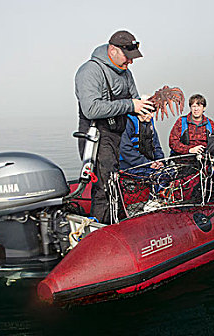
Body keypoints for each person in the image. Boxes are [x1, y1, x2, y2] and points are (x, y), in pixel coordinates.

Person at [75, 30, 153, 223]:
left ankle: (115, 222)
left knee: (115, 182)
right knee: (105, 185)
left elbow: (133, 100)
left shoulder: (126, 73)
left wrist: (142, 110)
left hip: (118, 134)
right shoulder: (90, 71)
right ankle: (102, 230)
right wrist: (131, 105)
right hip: (96, 136)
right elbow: (91, 109)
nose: (131, 62)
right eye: (128, 57)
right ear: (113, 50)